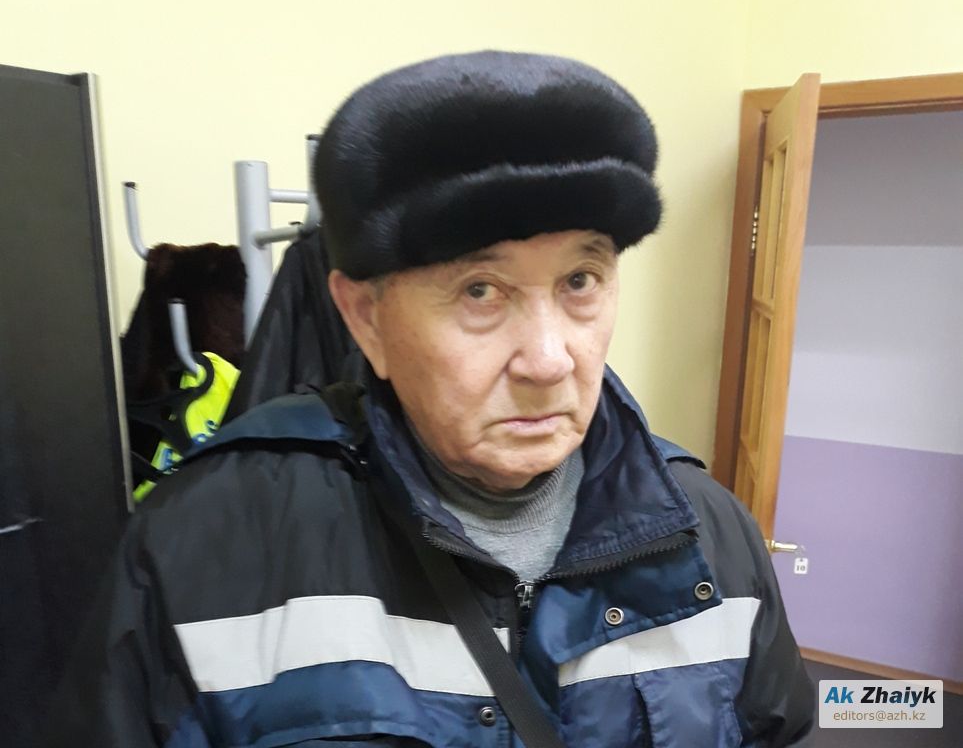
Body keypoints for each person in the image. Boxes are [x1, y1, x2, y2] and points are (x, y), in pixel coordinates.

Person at [46, 51, 814, 747]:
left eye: (580, 280)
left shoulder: (707, 530)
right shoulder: (207, 541)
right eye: (480, 290)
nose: (550, 360)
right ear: (365, 318)